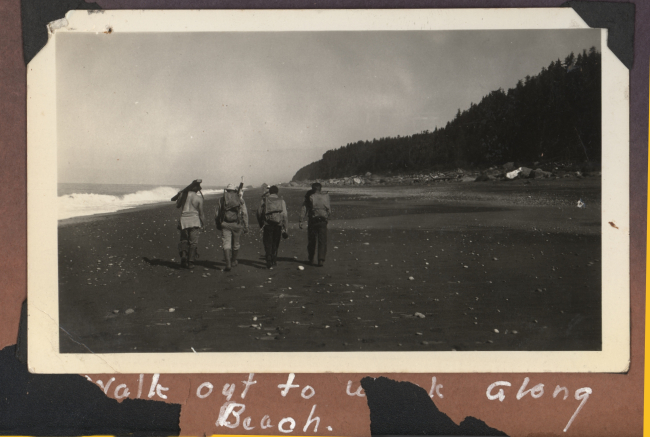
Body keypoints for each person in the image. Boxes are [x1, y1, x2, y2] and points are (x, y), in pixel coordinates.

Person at [215, 183, 249, 272]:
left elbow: (217, 213)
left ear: (226, 190)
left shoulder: (222, 199)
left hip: (225, 223)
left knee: (226, 243)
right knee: (236, 243)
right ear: (235, 190)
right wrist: (246, 225)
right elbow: (244, 213)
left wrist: (218, 223)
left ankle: (228, 263)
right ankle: (233, 261)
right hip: (237, 224)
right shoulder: (240, 199)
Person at [175, 179, 205, 269]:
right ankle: (191, 262)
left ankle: (184, 256)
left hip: (183, 220)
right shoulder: (199, 198)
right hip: (194, 221)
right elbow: (201, 214)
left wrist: (180, 194)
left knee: (184, 239)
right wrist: (203, 224)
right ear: (197, 190)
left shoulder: (183, 195)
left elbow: (177, 205)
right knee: (193, 243)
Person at [299, 182, 331, 267]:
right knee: (322, 241)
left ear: (313, 189)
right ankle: (321, 259)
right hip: (323, 221)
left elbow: (304, 209)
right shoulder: (325, 197)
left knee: (312, 240)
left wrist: (301, 220)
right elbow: (329, 210)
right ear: (320, 189)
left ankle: (311, 259)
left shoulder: (310, 197)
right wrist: (326, 218)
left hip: (313, 221)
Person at [257, 185, 288, 269]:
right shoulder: (281, 201)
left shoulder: (264, 200)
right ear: (277, 192)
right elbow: (284, 215)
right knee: (275, 242)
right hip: (278, 225)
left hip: (267, 224)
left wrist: (261, 224)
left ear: (269, 192)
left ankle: (268, 258)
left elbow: (259, 213)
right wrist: (285, 228)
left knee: (267, 242)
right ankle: (274, 259)